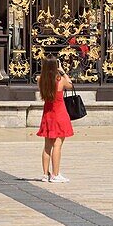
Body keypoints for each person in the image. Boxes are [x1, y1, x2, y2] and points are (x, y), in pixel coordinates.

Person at [35, 55, 74, 183]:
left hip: (48, 115)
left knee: (47, 146)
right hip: (60, 114)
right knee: (57, 145)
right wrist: (62, 71)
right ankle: (55, 174)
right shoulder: (60, 80)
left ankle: (45, 174)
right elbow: (71, 85)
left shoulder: (40, 79)